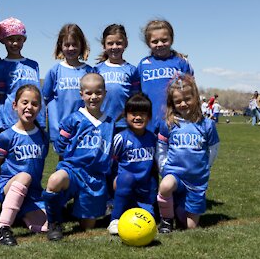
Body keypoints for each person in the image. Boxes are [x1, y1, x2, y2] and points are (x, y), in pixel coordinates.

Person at [42, 73, 114, 241]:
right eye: (88, 93)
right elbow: (59, 146)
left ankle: (74, 207)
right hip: (73, 170)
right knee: (54, 180)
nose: (93, 97)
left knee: (87, 227)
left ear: (105, 93)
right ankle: (54, 222)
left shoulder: (110, 122)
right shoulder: (73, 119)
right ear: (81, 94)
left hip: (94, 177)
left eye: (98, 92)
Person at [155, 73, 220, 233]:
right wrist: (163, 167)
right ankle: (166, 221)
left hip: (196, 179)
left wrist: (206, 166)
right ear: (172, 103)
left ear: (196, 98)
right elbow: (161, 148)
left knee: (190, 227)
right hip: (174, 172)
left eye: (187, 99)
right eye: (178, 101)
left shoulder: (207, 125)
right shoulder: (169, 123)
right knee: (165, 185)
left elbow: (214, 148)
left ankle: (178, 207)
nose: (183, 104)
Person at [0, 84, 49, 246]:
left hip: (33, 193)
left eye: (34, 104)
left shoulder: (43, 137)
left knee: (48, 224)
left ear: (39, 108)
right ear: (15, 105)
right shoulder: (6, 136)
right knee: (25, 176)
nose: (29, 107)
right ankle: (3, 229)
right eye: (25, 102)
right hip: (9, 187)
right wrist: (13, 184)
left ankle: (18, 212)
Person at [106, 92, 158, 235]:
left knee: (148, 220)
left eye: (143, 114)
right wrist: (112, 187)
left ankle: (140, 206)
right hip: (123, 184)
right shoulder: (120, 138)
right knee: (127, 177)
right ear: (126, 115)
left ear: (149, 116)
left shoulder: (152, 138)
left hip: (143, 189)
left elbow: (155, 165)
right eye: (133, 113)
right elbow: (110, 165)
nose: (138, 117)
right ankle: (115, 218)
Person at [137, 19, 194, 134]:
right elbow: (136, 95)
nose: (160, 44)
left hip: (176, 123)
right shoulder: (143, 65)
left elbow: (191, 93)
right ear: (148, 43)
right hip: (149, 124)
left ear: (171, 39)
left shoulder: (181, 63)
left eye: (164, 40)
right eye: (155, 41)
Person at [42, 23, 93, 149]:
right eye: (67, 45)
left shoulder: (89, 71)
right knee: (64, 164)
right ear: (61, 46)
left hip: (84, 129)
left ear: (82, 45)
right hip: (61, 129)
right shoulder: (55, 71)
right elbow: (45, 98)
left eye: (74, 44)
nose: (71, 48)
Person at [0, 17, 46, 135]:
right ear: (3, 40)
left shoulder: (33, 65)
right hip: (10, 122)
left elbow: (39, 94)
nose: (15, 43)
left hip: (33, 120)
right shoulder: (0, 66)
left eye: (18, 39)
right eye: (10, 39)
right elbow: (0, 98)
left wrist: (41, 119)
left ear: (24, 40)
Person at [94, 24, 140, 134]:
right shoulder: (97, 70)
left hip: (124, 124)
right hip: (100, 122)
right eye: (110, 43)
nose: (114, 47)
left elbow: (135, 99)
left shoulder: (132, 70)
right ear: (104, 45)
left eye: (119, 43)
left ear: (125, 44)